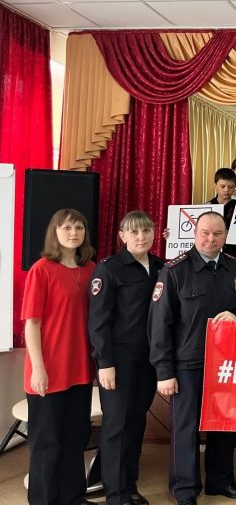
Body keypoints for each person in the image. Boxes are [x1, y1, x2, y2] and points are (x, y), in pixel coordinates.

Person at [148, 211, 236, 505]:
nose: (211, 239)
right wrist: (163, 371)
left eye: (218, 234)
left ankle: (220, 481)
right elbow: (159, 324)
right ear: (195, 234)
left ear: (226, 236)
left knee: (223, 424)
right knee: (185, 429)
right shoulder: (174, 271)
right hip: (188, 363)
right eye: (205, 233)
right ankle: (184, 489)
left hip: (226, 363)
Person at [89, 210, 164, 505]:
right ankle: (116, 494)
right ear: (122, 236)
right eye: (134, 232)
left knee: (135, 423)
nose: (141, 237)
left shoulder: (160, 267)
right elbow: (98, 321)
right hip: (118, 360)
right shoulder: (109, 269)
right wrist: (105, 362)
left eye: (146, 230)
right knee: (117, 426)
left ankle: (129, 486)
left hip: (148, 360)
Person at [22, 208, 96, 505]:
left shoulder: (91, 269)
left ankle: (73, 497)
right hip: (49, 371)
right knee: (46, 443)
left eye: (79, 227)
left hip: (80, 369)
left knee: (75, 438)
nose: (73, 233)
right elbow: (32, 324)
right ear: (54, 232)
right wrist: (37, 369)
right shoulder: (42, 269)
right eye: (66, 228)